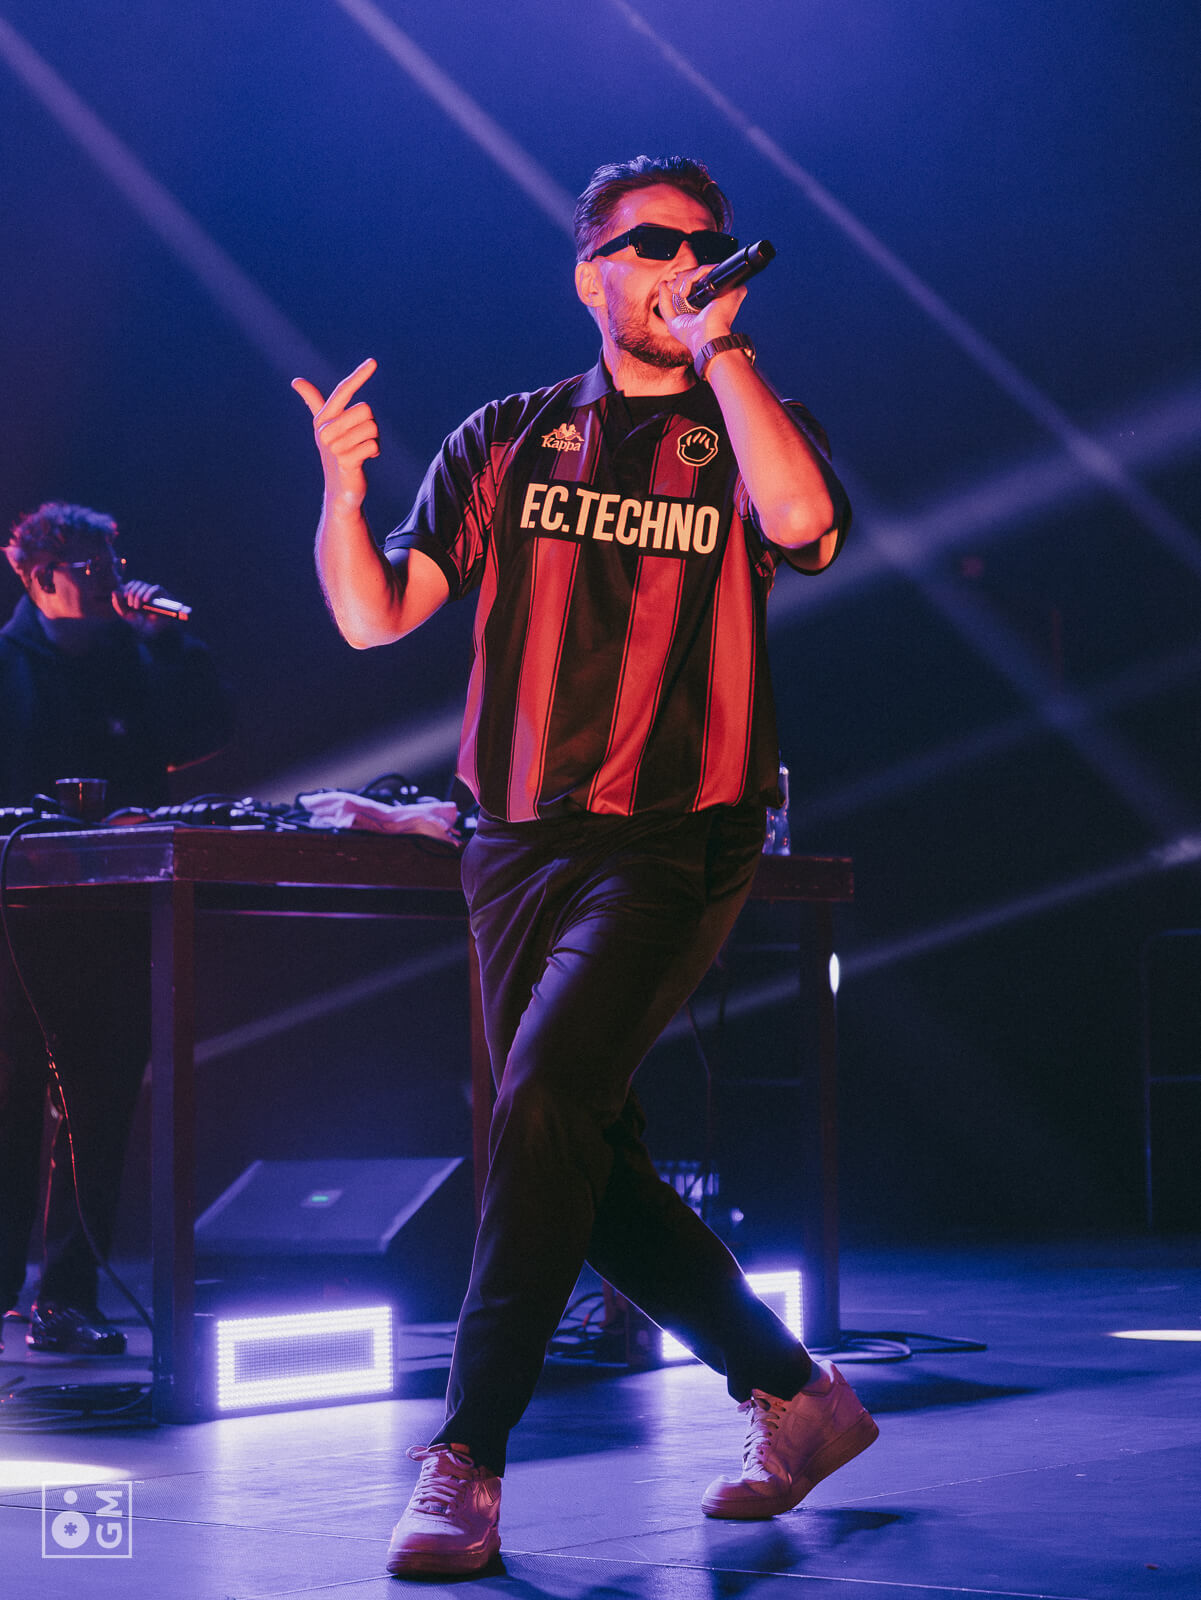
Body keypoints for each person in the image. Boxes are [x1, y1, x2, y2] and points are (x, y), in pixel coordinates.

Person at [294, 155, 874, 1578]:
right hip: (512, 845)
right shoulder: (508, 437)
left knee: (545, 1102)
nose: (684, 260)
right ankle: (794, 1393)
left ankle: (466, 1460)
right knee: (577, 1150)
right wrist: (341, 492)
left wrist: (721, 349)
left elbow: (803, 527)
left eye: (705, 242)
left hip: (677, 834)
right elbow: (375, 616)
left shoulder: (747, 421)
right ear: (587, 275)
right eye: (651, 243)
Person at [0, 502, 232, 1356]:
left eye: (113, 566)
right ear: (40, 576)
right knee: (9, 1100)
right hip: (16, 922)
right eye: (92, 570)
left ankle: (66, 1298)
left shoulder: (133, 658)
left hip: (113, 917)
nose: (110, 583)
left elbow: (206, 730)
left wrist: (171, 646)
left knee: (99, 1105)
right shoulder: (7, 664)